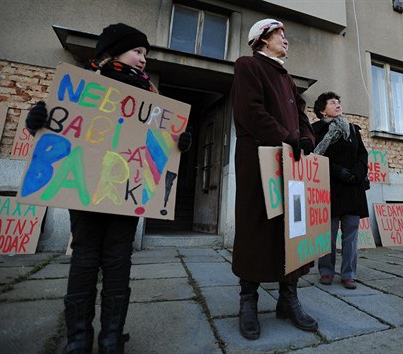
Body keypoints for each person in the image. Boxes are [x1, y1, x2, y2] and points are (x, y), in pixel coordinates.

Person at [25, 23, 192, 353]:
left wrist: (178, 142)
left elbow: (159, 144)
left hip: (125, 195)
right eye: (137, 51)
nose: (143, 59)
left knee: (118, 262)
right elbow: (61, 130)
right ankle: (78, 338)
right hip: (86, 191)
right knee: (85, 260)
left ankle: (112, 336)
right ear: (112, 52)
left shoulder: (150, 97)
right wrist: (38, 121)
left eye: (146, 54)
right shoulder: (84, 86)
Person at [230, 18, 318, 340]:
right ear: (262, 39)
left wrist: (305, 138)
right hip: (259, 161)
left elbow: (302, 114)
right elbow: (250, 112)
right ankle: (248, 300)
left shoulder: (287, 78)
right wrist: (285, 138)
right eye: (280, 35)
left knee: (292, 229)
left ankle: (288, 299)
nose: (285, 40)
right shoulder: (248, 66)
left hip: (291, 164)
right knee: (256, 226)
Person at [312, 92, 369, 290]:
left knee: (351, 235)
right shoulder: (317, 130)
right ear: (322, 110)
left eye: (338, 101)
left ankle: (348, 274)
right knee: (327, 233)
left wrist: (357, 173)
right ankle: (326, 271)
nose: (337, 104)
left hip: (353, 188)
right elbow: (316, 156)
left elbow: (362, 154)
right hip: (330, 187)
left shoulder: (352, 129)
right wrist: (339, 172)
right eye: (332, 102)